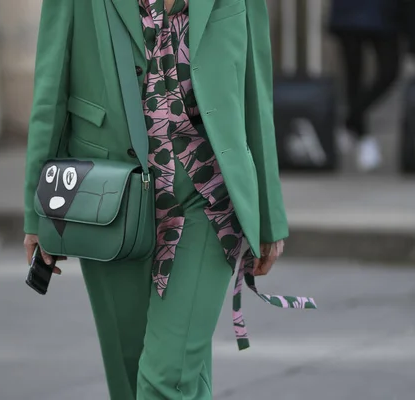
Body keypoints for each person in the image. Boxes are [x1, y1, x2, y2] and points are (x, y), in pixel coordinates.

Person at [23, 0, 316, 399]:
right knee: (133, 382)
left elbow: (253, 91)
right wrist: (38, 211)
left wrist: (268, 214)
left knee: (165, 380)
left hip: (209, 198)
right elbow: (50, 92)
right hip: (111, 203)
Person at [329, 0, 404, 171]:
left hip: (386, 13)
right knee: (353, 75)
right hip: (350, 12)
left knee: (389, 72)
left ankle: (351, 122)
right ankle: (362, 136)